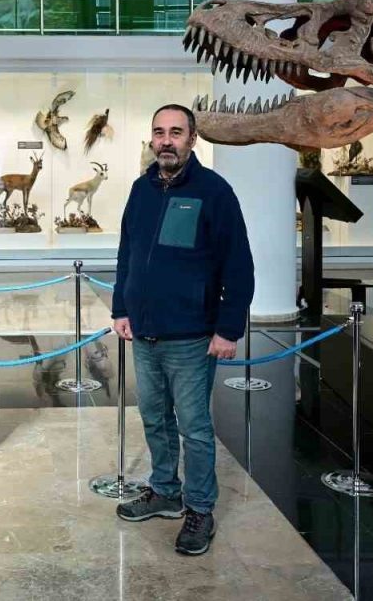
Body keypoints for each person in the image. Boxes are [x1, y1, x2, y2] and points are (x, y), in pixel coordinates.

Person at [110, 104, 255, 556]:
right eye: (159, 132)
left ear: (192, 139)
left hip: (191, 336)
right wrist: (121, 307)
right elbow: (127, 252)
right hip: (144, 333)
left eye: (176, 132)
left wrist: (228, 329)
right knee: (154, 418)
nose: (166, 141)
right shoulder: (141, 189)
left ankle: (200, 509)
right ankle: (165, 491)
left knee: (194, 427)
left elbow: (239, 264)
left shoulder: (214, 191)